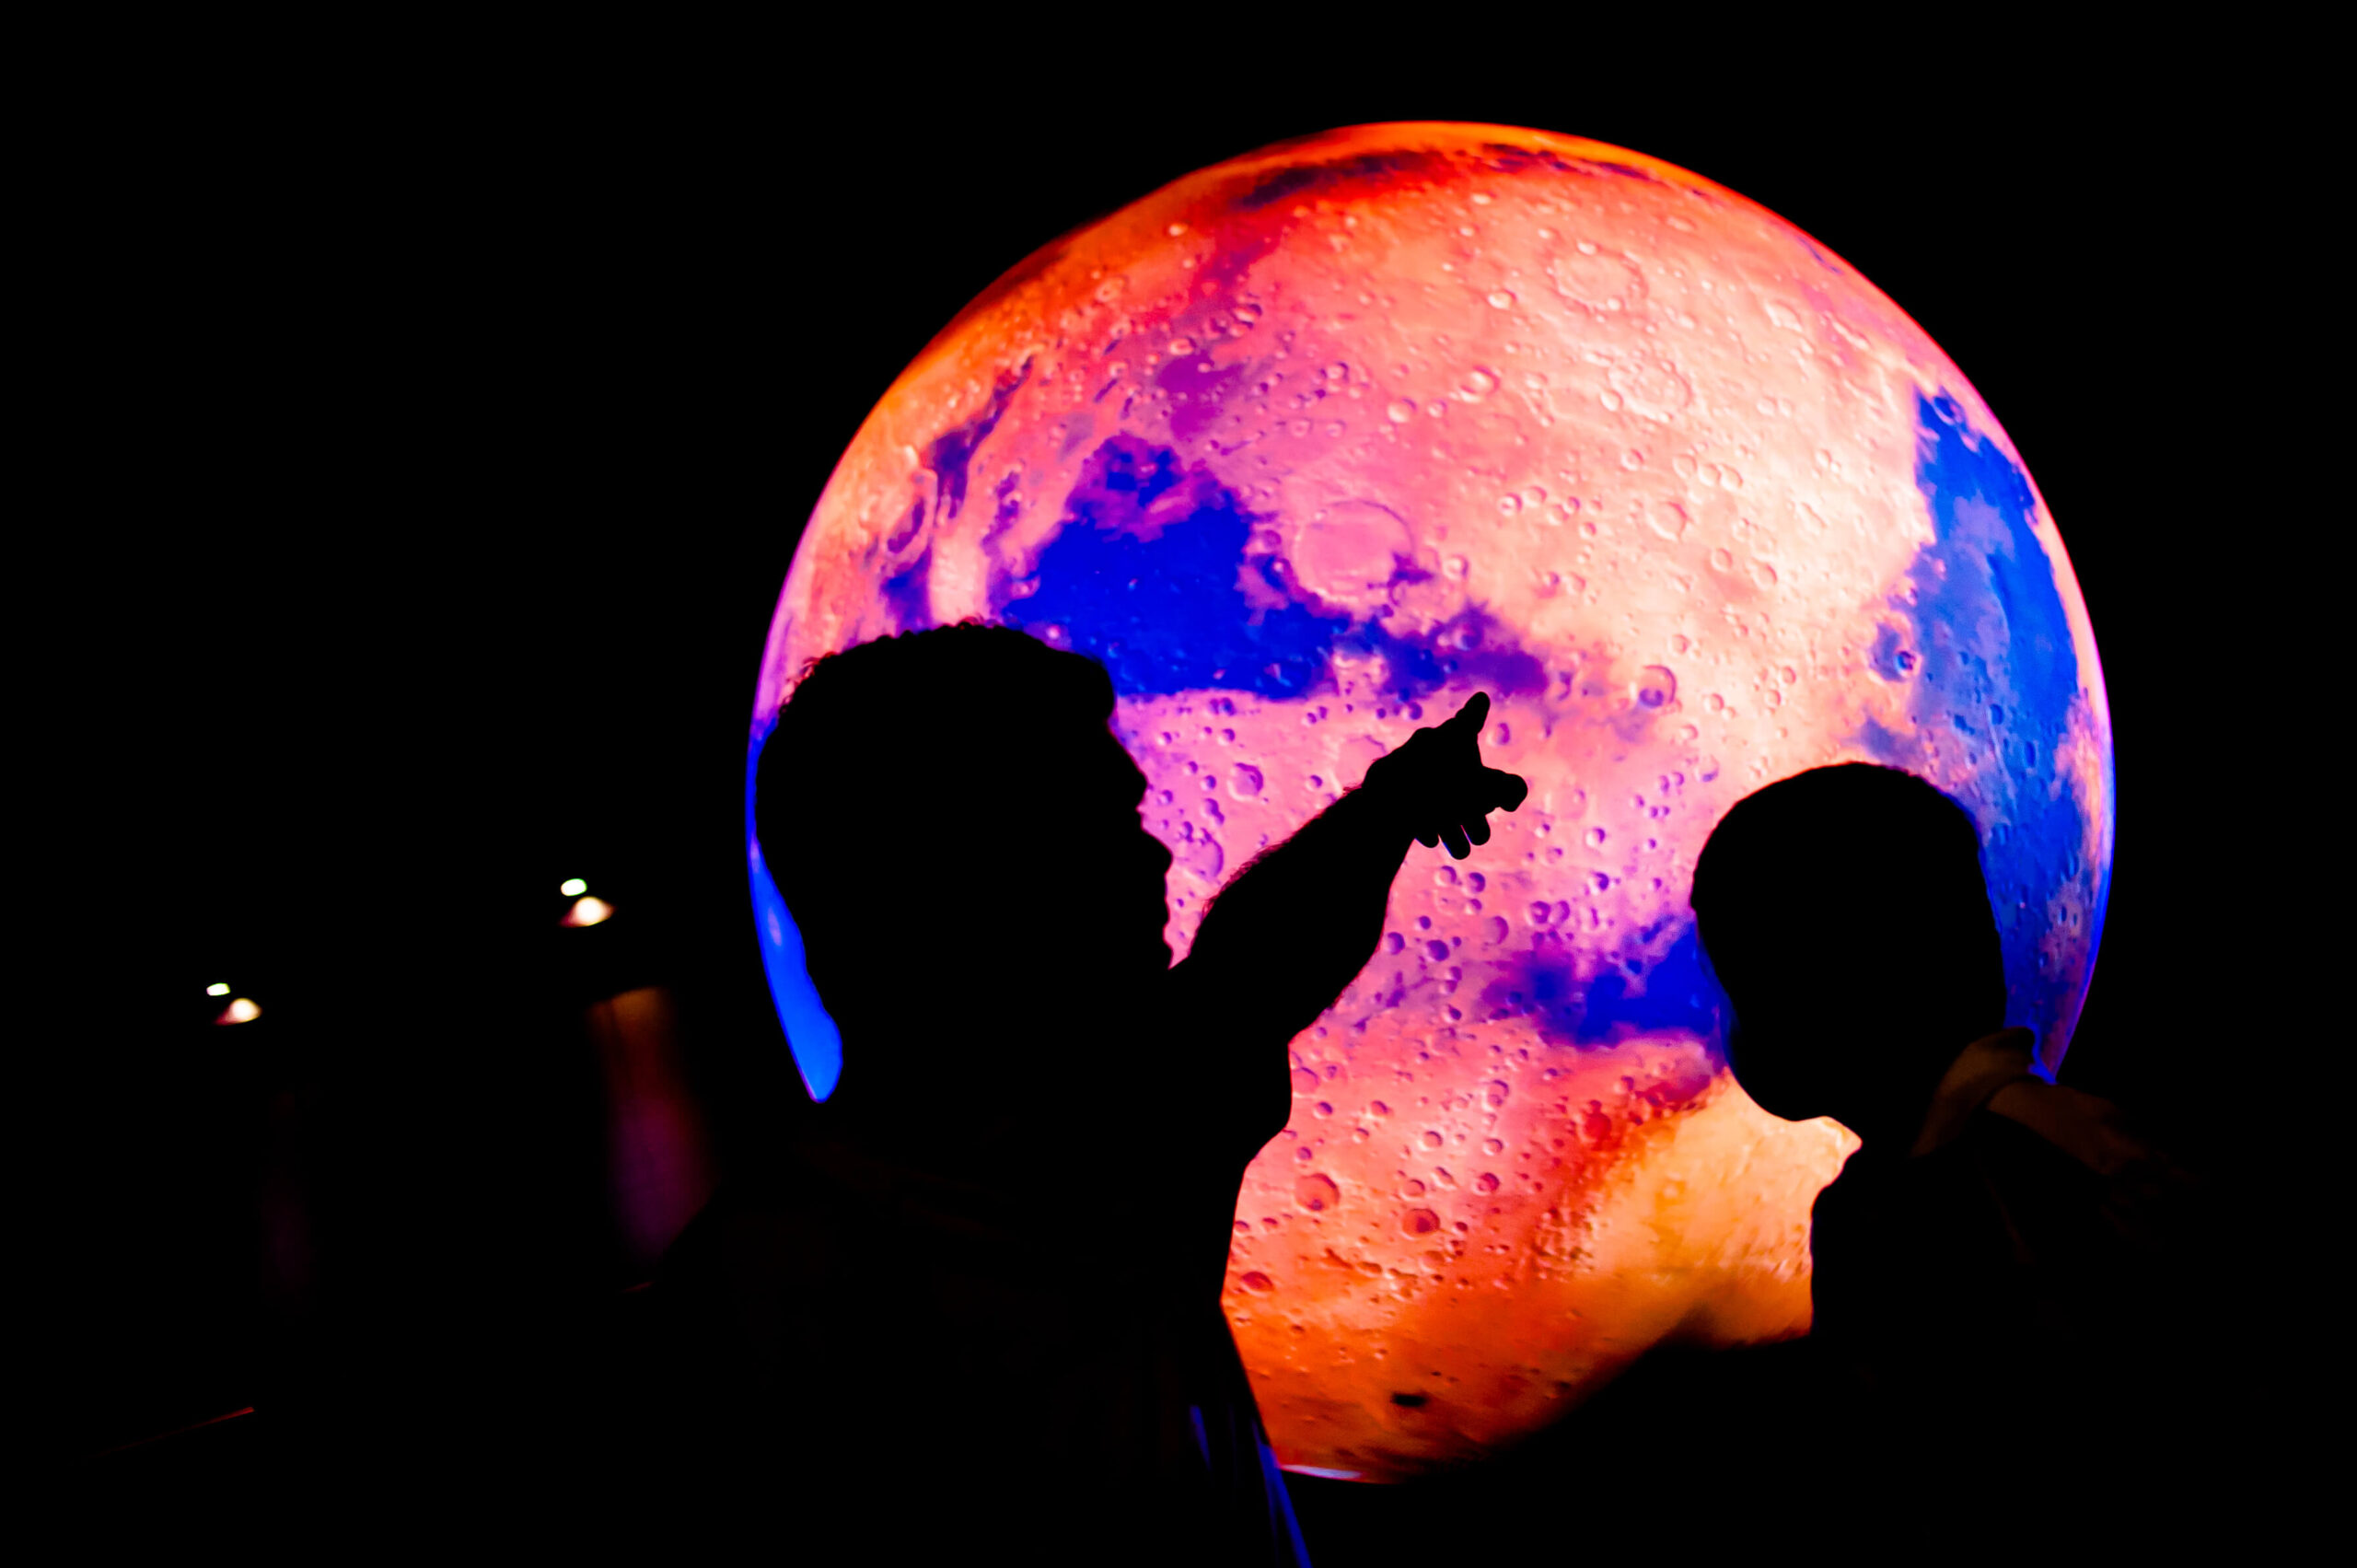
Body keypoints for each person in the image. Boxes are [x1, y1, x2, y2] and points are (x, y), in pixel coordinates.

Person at [632, 623, 1525, 1562]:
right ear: (958, 873)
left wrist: (1388, 810)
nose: (1157, 859)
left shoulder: (1117, 1143)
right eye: (1102, 821)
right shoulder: (774, 1295)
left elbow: (1251, 969)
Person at [1688, 763, 2203, 1499]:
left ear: (1820, 999)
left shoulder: (2042, 1170)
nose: (1730, 1030)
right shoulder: (1896, 1191)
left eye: (1744, 990)